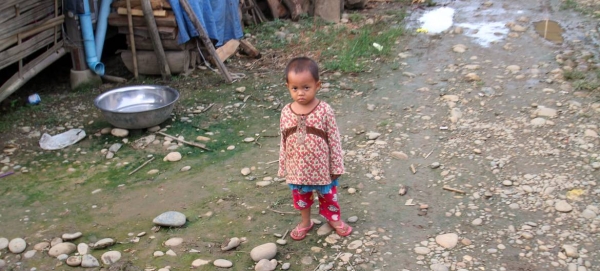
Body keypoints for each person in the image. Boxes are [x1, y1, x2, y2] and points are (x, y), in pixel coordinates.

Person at [278, 57, 352, 240]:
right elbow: (283, 141)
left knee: (329, 196)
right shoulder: (286, 111)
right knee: (301, 198)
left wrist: (336, 166)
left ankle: (334, 219)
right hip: (298, 170)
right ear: (287, 86)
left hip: (322, 169)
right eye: (295, 88)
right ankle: (305, 222)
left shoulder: (324, 110)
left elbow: (334, 140)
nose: (300, 93)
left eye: (306, 87)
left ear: (317, 85)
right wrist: (283, 166)